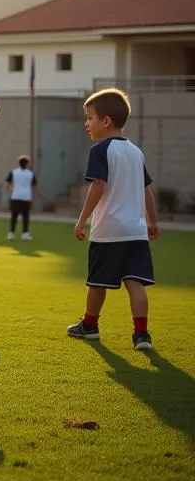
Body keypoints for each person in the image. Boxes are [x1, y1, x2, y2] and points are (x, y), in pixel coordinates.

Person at [68, 87, 158, 350]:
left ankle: (89, 325)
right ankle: (142, 335)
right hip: (135, 230)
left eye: (89, 118)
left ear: (105, 121)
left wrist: (82, 218)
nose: (86, 124)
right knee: (135, 282)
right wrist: (152, 221)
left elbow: (98, 185)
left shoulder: (100, 150)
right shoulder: (135, 152)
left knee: (98, 282)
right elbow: (146, 189)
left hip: (109, 230)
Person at [5, 155, 38, 240]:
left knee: (14, 216)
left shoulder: (13, 172)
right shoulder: (30, 174)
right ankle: (25, 233)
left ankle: (11, 233)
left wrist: (8, 189)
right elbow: (34, 186)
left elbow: (7, 182)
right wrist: (39, 194)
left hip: (15, 196)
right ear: (27, 164)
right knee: (25, 216)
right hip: (26, 197)